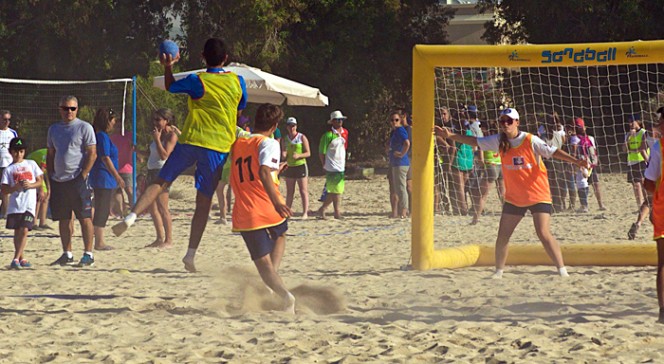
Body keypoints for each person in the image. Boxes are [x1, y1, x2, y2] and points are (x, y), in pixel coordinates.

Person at [113, 37, 247, 273]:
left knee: (161, 180)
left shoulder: (197, 80)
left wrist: (168, 66)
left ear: (203, 58)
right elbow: (241, 106)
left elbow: (171, 86)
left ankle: (131, 216)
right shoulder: (238, 81)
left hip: (192, 139)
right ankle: (190, 254)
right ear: (226, 58)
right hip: (217, 146)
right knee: (203, 202)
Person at [435, 107, 588, 278]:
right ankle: (499, 272)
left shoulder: (531, 140)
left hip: (538, 194)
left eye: (509, 121)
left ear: (517, 122)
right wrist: (449, 135)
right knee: (503, 236)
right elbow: (474, 141)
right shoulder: (498, 140)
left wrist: (576, 161)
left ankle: (562, 271)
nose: (505, 124)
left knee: (543, 233)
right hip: (515, 197)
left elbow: (553, 152)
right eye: (502, 121)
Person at [230, 104, 295, 313]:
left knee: (264, 264)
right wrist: (277, 201)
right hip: (268, 205)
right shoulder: (269, 143)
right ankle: (281, 292)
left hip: (247, 210)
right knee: (281, 235)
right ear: (275, 125)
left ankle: (278, 289)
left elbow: (259, 171)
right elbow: (264, 172)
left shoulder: (239, 141)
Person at [47, 95, 97, 267]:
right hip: (59, 180)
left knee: (84, 217)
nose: (69, 111)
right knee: (63, 218)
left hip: (77, 179)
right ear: (59, 109)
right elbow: (51, 153)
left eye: (72, 108)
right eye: (65, 108)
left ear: (77, 109)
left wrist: (83, 174)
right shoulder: (54, 129)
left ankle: (88, 253)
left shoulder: (84, 127)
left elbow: (92, 153)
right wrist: (51, 174)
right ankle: (67, 253)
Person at [2, 137, 43, 269]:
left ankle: (15, 258)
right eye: (15, 151)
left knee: (25, 230)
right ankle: (21, 257)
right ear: (10, 152)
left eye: (21, 151)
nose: (18, 154)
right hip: (15, 205)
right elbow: (4, 189)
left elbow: (39, 180)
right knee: (17, 231)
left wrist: (31, 185)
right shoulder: (9, 169)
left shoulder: (31, 164)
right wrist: (16, 187)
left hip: (29, 205)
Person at [90, 108, 124, 251]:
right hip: (103, 176)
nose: (114, 124)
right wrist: (117, 176)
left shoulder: (100, 135)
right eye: (113, 121)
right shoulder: (102, 136)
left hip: (104, 177)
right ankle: (99, 242)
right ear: (107, 121)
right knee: (102, 209)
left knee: (101, 207)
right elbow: (105, 157)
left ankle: (98, 239)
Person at [143, 109, 178, 247]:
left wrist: (157, 139)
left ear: (166, 121)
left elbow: (164, 155)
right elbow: (152, 153)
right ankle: (159, 238)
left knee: (163, 207)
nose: (155, 122)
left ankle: (168, 240)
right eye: (154, 119)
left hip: (162, 172)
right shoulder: (157, 133)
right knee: (152, 207)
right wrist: (137, 151)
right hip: (151, 170)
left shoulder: (171, 136)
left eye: (158, 120)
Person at [642, 105, 664, 323]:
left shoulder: (659, 147)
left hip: (663, 208)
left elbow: (648, 182)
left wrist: (654, 197)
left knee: (663, 262)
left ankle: (663, 313)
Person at [317, 110, 347, 219]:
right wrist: (324, 164)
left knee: (335, 190)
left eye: (341, 120)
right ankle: (336, 212)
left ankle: (323, 209)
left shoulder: (345, 133)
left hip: (340, 164)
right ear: (333, 122)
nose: (340, 122)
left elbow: (344, 147)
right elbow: (322, 152)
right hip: (331, 165)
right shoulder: (327, 136)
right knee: (336, 190)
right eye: (337, 120)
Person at [571, 117, 606, 211]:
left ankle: (599, 204)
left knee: (594, 183)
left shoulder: (590, 138)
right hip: (582, 164)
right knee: (583, 183)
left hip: (589, 164)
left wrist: (596, 162)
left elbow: (593, 151)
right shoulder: (575, 138)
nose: (581, 128)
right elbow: (574, 153)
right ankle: (585, 206)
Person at [282, 117, 311, 218]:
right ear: (287, 127)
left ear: (296, 126)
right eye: (289, 126)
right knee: (290, 191)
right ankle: (287, 212)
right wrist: (284, 154)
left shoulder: (301, 137)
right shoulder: (285, 139)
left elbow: (308, 153)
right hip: (290, 166)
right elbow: (283, 151)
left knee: (303, 190)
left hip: (300, 166)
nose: (291, 128)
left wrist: (299, 155)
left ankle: (305, 212)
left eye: (293, 126)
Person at [388, 111, 410, 218]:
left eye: (396, 120)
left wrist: (401, 154)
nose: (394, 122)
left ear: (400, 120)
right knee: (397, 188)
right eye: (392, 120)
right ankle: (402, 210)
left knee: (401, 188)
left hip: (401, 163)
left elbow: (407, 143)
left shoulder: (401, 130)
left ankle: (404, 211)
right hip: (395, 163)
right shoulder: (394, 131)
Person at [625, 114, 649, 210]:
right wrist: (628, 138)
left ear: (638, 122)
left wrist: (632, 150)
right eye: (629, 122)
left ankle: (647, 204)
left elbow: (642, 148)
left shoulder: (643, 132)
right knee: (635, 185)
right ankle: (640, 206)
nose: (630, 124)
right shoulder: (628, 134)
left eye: (632, 121)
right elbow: (624, 149)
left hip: (642, 161)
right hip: (631, 161)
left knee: (641, 184)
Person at [109, 130, 134, 217]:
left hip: (126, 167)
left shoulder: (129, 135)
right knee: (117, 191)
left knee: (129, 189)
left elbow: (134, 148)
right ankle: (120, 212)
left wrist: (137, 156)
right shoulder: (112, 136)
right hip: (115, 167)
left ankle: (134, 210)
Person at [26, 148, 51, 229]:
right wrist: (40, 190)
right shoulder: (47, 154)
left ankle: (42, 222)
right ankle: (33, 222)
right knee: (40, 196)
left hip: (38, 170)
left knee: (46, 195)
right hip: (29, 167)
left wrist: (49, 188)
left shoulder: (56, 155)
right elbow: (41, 172)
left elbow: (48, 173)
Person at [0, 110, 18, 217]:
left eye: (8, 119)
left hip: (8, 165)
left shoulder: (13, 133)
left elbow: (18, 146)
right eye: (4, 119)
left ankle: (5, 214)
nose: (7, 122)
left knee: (6, 189)